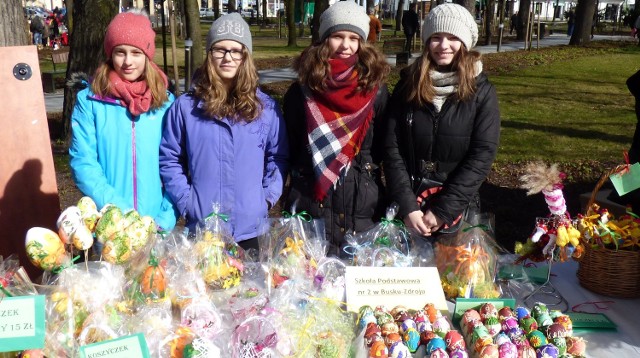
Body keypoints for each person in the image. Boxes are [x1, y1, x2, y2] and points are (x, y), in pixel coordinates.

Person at [159, 13, 289, 251]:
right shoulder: (187, 107)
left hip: (251, 228)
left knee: (252, 288)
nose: (228, 57)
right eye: (219, 49)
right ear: (209, 54)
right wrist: (188, 203)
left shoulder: (266, 108)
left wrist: (266, 198)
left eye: (236, 50)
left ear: (245, 55)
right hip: (203, 229)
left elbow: (277, 156)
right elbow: (169, 158)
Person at [283, 1, 390, 257]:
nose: (346, 45)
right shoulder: (301, 91)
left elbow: (382, 147)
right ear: (324, 39)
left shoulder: (376, 90)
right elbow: (292, 144)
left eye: (354, 38)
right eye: (338, 36)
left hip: (361, 205)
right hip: (311, 201)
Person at [384, 3, 500, 237]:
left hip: (458, 208)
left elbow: (482, 154)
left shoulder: (482, 92)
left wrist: (443, 210)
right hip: (409, 209)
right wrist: (408, 207)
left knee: (455, 273)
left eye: (452, 37)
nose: (444, 46)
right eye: (436, 37)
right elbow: (391, 148)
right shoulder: (408, 86)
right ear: (427, 41)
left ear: (464, 43)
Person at [69, 10, 177, 231]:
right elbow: (84, 162)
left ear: (147, 55)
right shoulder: (90, 101)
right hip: (111, 223)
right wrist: (120, 212)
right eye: (120, 52)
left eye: (136, 53)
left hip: (155, 226)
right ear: (110, 54)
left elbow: (177, 162)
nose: (128, 61)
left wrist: (166, 216)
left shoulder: (166, 102)